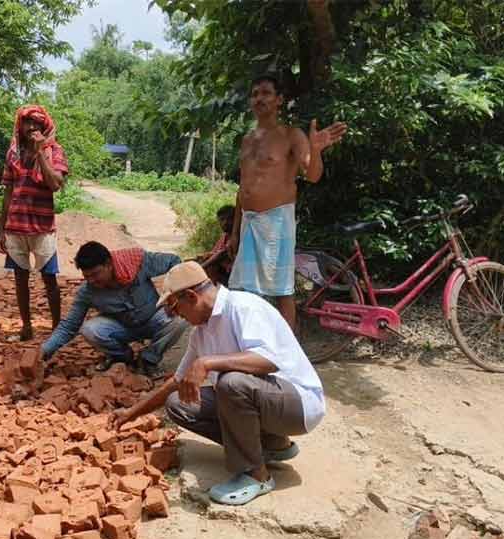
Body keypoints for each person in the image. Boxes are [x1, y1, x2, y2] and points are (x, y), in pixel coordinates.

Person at [112, 261, 325, 506]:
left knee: (231, 383)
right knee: (179, 403)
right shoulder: (201, 332)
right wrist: (129, 414)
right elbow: (175, 382)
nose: (177, 316)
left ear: (191, 296)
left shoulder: (243, 307)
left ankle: (256, 475)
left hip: (298, 404)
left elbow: (268, 361)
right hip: (265, 401)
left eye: (175, 308)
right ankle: (273, 445)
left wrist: (208, 363)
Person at [228, 74, 347, 330]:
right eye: (255, 93)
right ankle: (251, 348)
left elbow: (313, 175)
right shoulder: (248, 139)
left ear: (279, 100)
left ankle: (286, 356)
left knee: (281, 291)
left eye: (266, 93)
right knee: (243, 291)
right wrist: (235, 231)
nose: (259, 98)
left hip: (276, 221)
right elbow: (243, 187)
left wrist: (315, 150)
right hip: (248, 223)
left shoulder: (292, 135)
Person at [40, 242, 188, 377]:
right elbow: (69, 326)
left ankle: (148, 360)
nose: (91, 280)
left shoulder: (138, 263)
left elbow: (174, 262)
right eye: (87, 276)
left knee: (180, 318)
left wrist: (173, 297)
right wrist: (45, 350)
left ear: (109, 264)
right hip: (122, 329)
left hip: (153, 320)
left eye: (95, 274)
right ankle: (122, 358)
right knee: (89, 329)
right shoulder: (87, 292)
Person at [0, 105, 69, 342]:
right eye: (27, 123)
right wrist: (1, 229)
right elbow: (8, 192)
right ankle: (26, 327)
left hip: (42, 227)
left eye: (37, 124)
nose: (32, 128)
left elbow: (55, 184)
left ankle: (58, 327)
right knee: (20, 279)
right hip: (16, 227)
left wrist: (39, 153)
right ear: (21, 126)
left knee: (49, 279)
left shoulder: (54, 151)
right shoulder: (13, 154)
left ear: (44, 127)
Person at [197, 204, 235, 285]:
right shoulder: (225, 236)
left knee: (210, 265)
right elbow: (215, 252)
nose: (225, 223)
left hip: (231, 275)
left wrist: (201, 267)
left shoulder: (237, 236)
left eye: (229, 219)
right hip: (223, 272)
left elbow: (221, 254)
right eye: (222, 219)